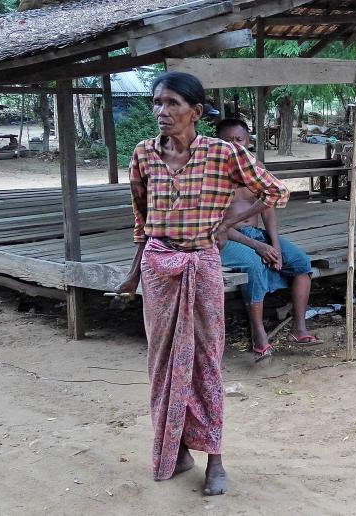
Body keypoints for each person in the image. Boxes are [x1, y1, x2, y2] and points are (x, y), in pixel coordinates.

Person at [116, 72, 288, 496]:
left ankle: (215, 459)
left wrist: (228, 223)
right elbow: (141, 221)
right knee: (161, 363)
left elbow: (276, 191)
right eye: (157, 102)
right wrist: (135, 271)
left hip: (202, 263)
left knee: (207, 361)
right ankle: (175, 451)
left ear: (195, 111)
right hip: (158, 267)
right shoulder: (143, 155)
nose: (161, 111)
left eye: (172, 103)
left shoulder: (223, 154)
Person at [214, 118, 321, 362]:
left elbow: (268, 208)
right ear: (216, 144)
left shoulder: (255, 169)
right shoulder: (211, 174)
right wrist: (260, 247)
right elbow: (217, 226)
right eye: (227, 141)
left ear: (248, 142)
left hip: (254, 235)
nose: (234, 145)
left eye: (238, 139)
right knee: (253, 265)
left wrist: (274, 245)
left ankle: (299, 327)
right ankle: (258, 333)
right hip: (224, 238)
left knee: (301, 263)